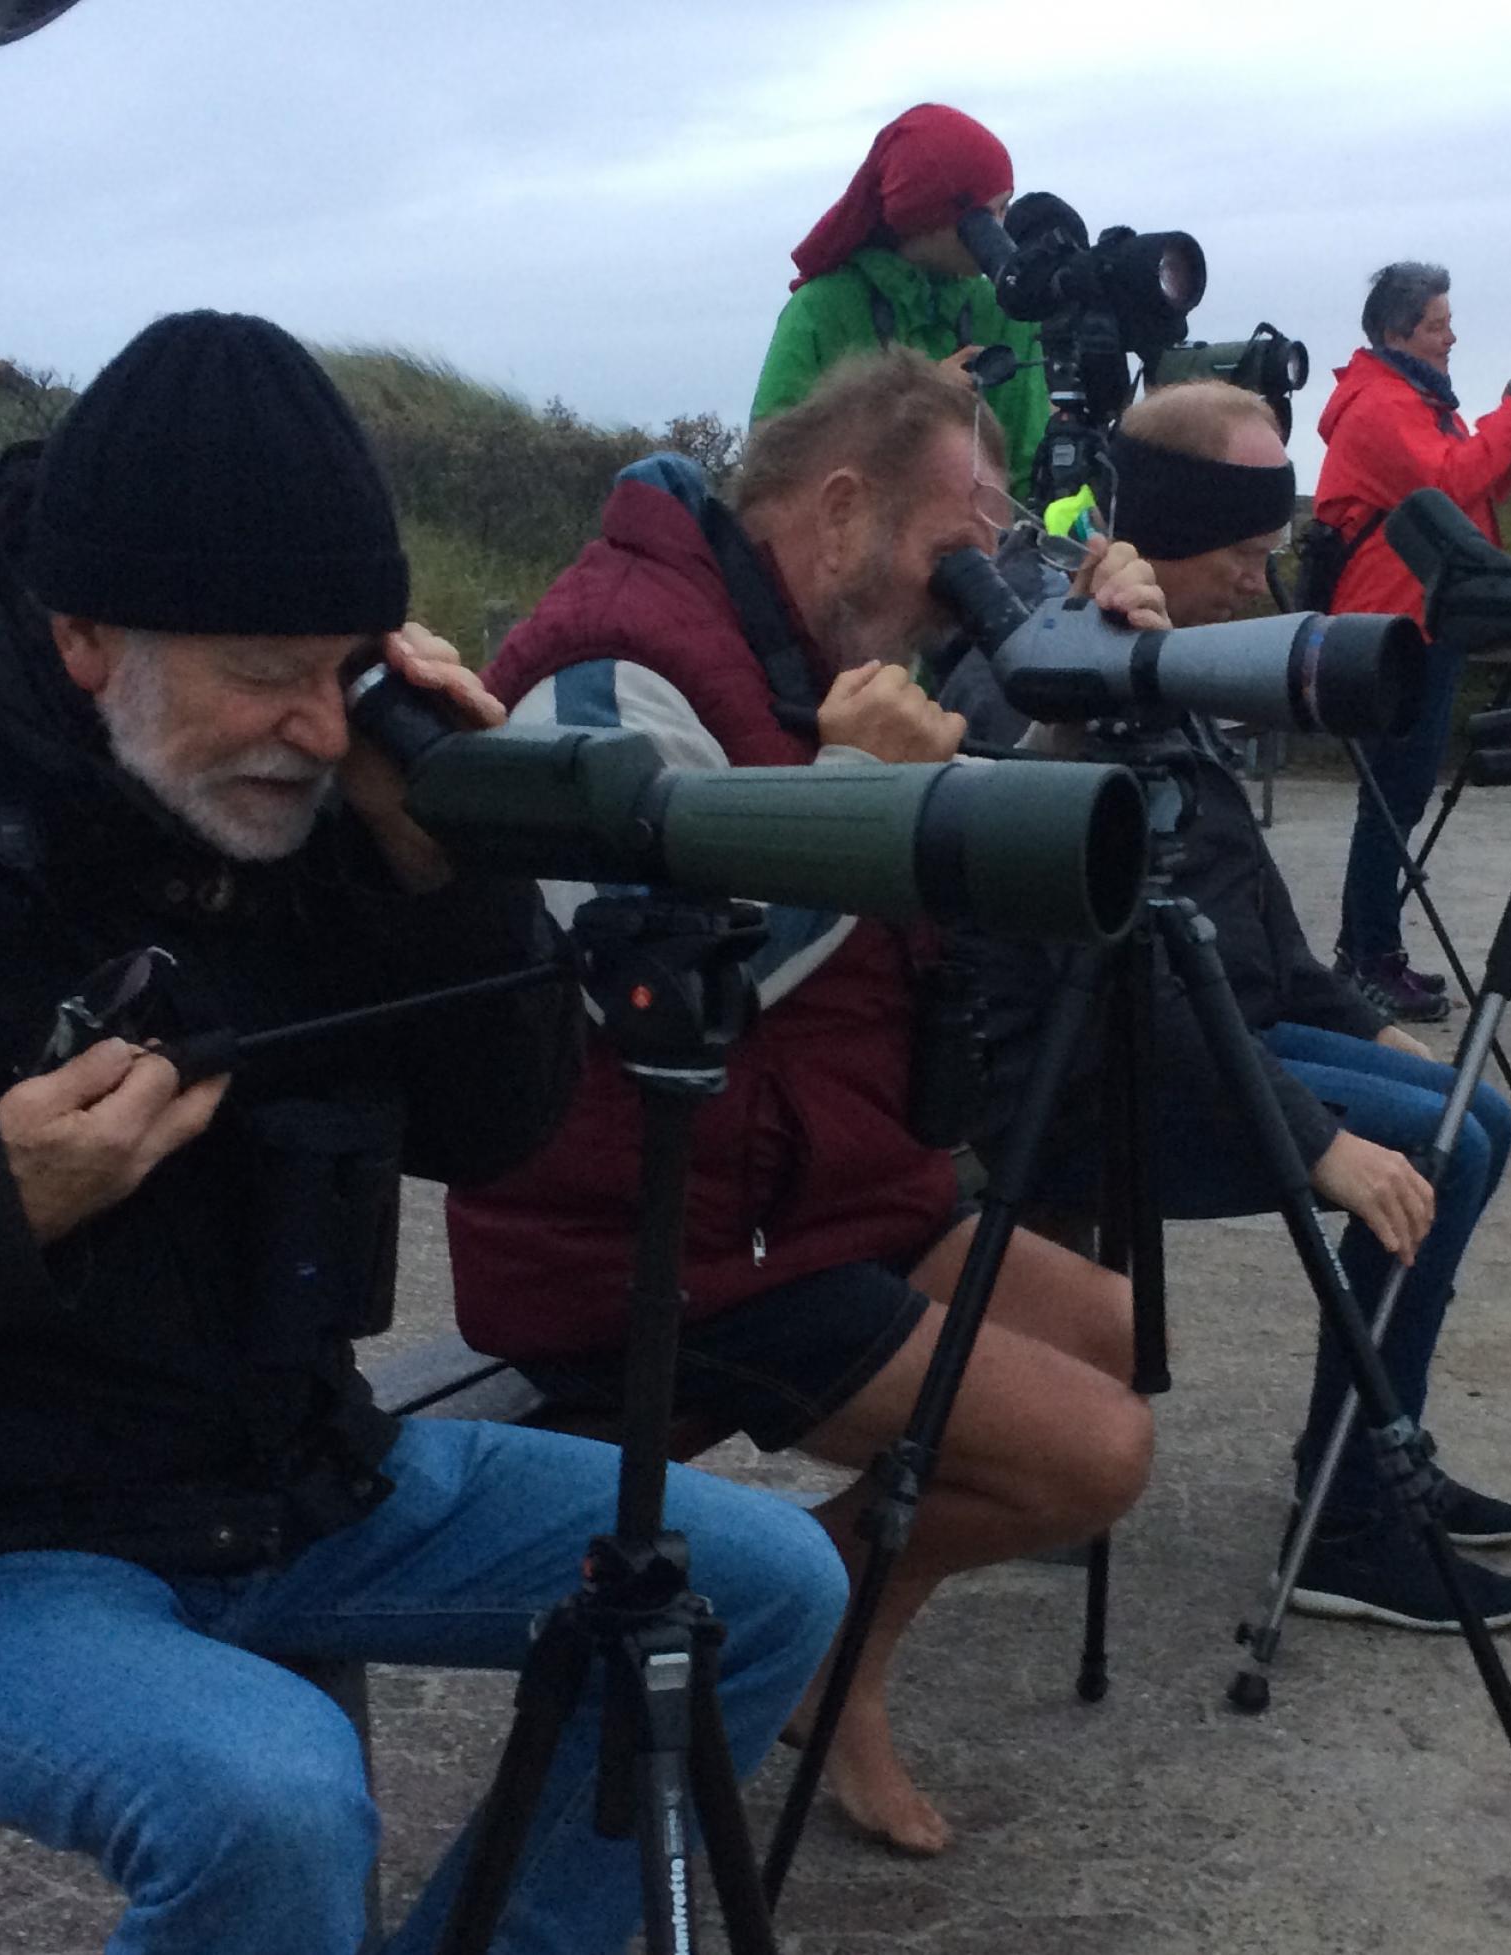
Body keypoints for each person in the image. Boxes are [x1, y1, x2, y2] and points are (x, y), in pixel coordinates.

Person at [0, 310, 847, 1955]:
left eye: (345, 666)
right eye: (266, 676)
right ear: (86, 635)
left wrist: (449, 866)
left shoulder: (321, 794)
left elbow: (502, 1133)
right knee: (273, 1797)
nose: (319, 725)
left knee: (765, 1581)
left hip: (286, 1482)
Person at [447, 348, 1166, 1859]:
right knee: (1091, 1452)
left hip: (811, 1198)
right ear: (840, 509)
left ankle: (827, 1635)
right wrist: (856, 793)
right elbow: (642, 990)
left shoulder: (786, 641)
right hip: (652, 1243)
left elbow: (960, 879)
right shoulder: (611, 663)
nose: (958, 584)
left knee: (1112, 1327)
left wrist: (1088, 699)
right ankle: (816, 1627)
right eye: (950, 543)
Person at [941, 379, 1511, 1632]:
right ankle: (1353, 1518)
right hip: (1099, 1079)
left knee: (1470, 1119)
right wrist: (1322, 1145)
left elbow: (1243, 906)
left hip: (1214, 1029)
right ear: (1174, 534)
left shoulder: (1158, 647)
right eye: (1249, 557)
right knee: (1436, 1149)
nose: (1265, 589)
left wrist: (1360, 1016)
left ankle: (1372, 1456)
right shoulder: (1060, 673)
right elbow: (1116, 988)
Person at [1314, 260, 1511, 1023]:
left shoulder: (1414, 399)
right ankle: (1365, 959)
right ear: (1397, 331)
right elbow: (1450, 481)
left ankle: (1371, 953)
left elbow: (1479, 484)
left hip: (1421, 615)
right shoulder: (1383, 405)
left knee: (1400, 794)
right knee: (1391, 799)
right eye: (1436, 323)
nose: (1450, 335)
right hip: (1397, 623)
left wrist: (1508, 421)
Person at [750, 102, 1050, 502]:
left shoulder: (1003, 310)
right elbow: (768, 463)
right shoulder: (821, 308)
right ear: (928, 213)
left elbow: (1030, 466)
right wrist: (912, 402)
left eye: (1006, 208)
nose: (1000, 233)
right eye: (987, 216)